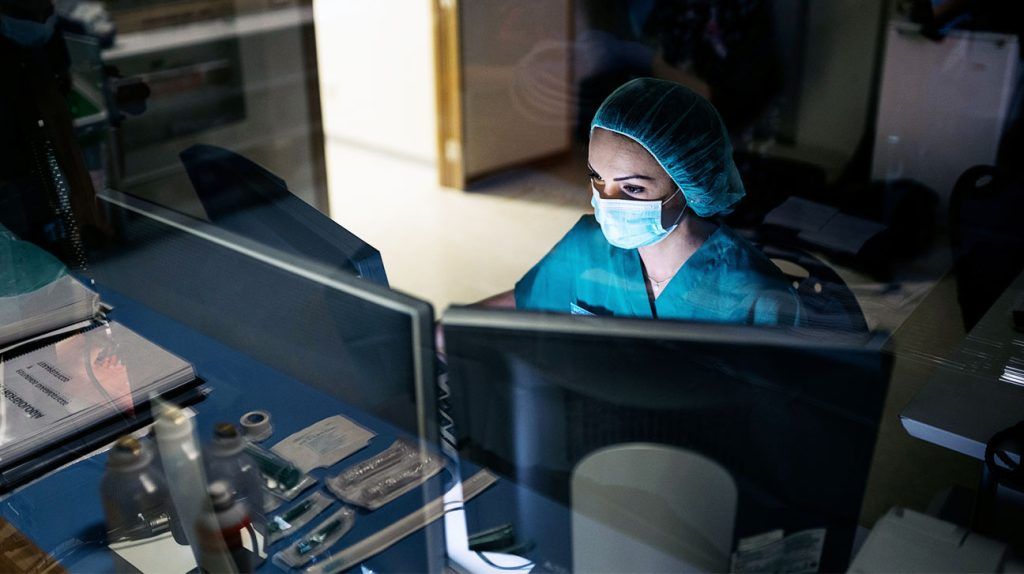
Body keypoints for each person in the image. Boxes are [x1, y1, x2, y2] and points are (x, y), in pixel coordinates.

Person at [483, 77, 800, 325]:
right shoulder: (585, 246)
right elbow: (532, 299)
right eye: (597, 177)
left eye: (632, 189)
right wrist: (447, 329)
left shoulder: (753, 294)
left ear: (688, 184)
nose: (605, 201)